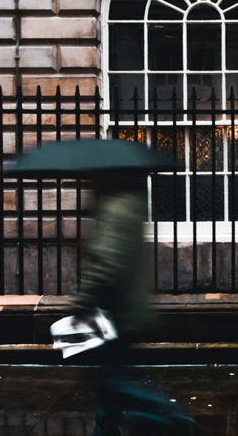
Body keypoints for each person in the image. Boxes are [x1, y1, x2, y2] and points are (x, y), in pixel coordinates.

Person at [67, 171, 195, 436]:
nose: (85, 180)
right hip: (120, 309)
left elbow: (107, 266)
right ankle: (105, 429)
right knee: (106, 379)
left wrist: (82, 303)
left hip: (113, 312)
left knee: (111, 380)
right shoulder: (124, 204)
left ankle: (169, 415)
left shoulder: (115, 209)